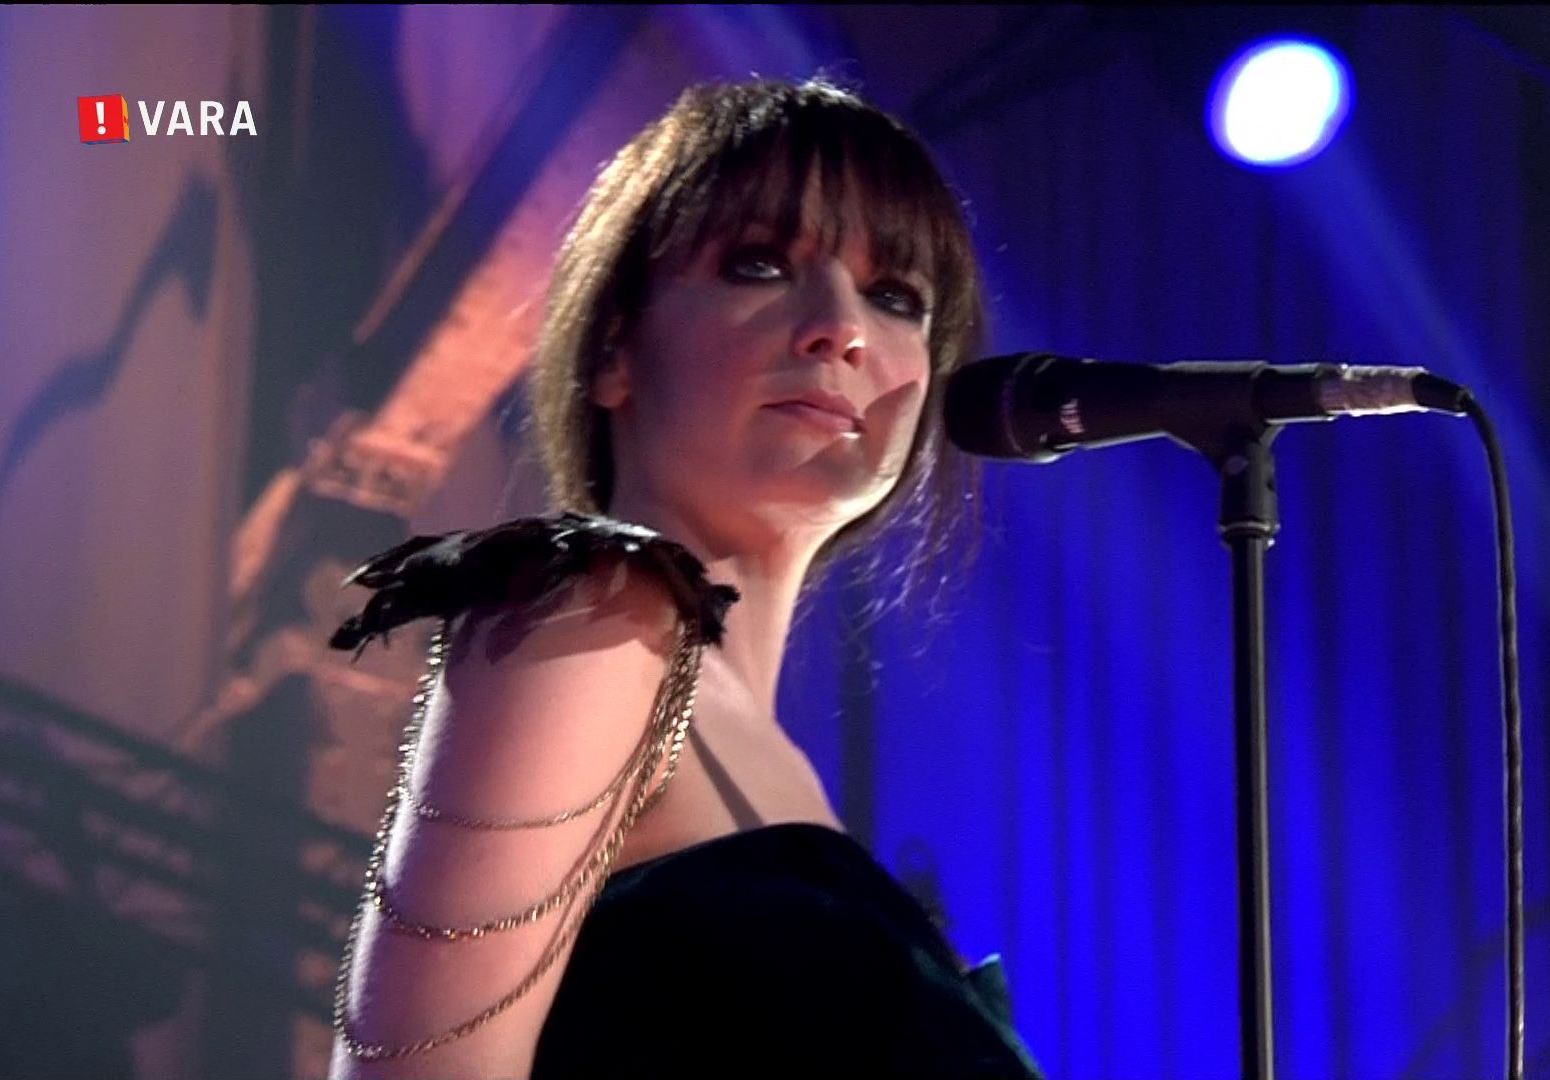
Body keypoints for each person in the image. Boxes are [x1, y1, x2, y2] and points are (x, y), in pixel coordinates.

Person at [326, 75, 1044, 1079]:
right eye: (759, 265)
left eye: (895, 298)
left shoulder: (786, 772)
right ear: (615, 349)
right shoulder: (597, 616)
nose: (839, 328)